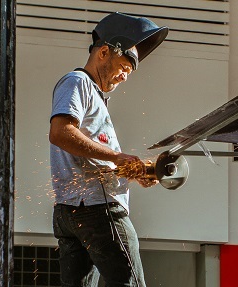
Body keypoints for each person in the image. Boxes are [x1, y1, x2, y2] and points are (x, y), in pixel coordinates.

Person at [49, 12, 168, 287]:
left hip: (72, 212)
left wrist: (134, 171)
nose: (125, 77)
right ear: (104, 52)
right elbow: (61, 132)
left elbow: (90, 157)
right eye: (124, 68)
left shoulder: (94, 96)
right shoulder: (78, 82)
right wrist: (116, 156)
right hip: (97, 210)